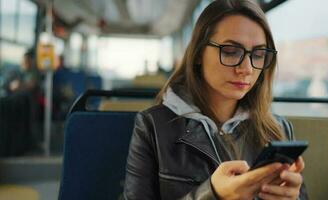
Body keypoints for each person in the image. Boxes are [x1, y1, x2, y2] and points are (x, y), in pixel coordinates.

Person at [123, 0, 307, 199]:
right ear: (199, 53)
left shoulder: (278, 130)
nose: (246, 68)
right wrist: (212, 194)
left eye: (259, 54)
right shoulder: (153, 126)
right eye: (230, 52)